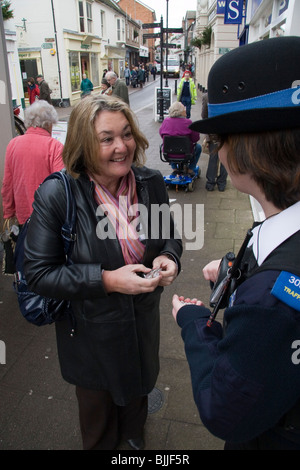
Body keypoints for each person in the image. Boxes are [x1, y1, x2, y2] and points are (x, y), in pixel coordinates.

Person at [23, 94, 182, 450]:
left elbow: (169, 235)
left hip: (142, 329)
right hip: (91, 337)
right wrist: (108, 280)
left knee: (135, 419)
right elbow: (39, 272)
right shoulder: (58, 195)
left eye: (126, 134)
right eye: (106, 138)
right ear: (83, 143)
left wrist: (170, 256)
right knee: (99, 430)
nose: (122, 147)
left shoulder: (150, 183)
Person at [171, 36, 300, 450]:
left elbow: (224, 408)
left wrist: (194, 325)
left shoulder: (274, 299)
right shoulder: (277, 231)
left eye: (218, 140)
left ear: (244, 151)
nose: (217, 152)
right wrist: (233, 272)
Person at [1, 100, 64, 226]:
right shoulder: (54, 146)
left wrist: (8, 211)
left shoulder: (13, 144)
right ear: (49, 124)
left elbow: (7, 183)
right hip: (48, 216)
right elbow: (60, 185)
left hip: (23, 214)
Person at [159, 101, 201, 176]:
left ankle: (174, 169)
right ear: (181, 112)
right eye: (184, 109)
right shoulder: (188, 122)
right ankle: (190, 169)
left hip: (169, 154)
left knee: (167, 145)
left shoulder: (165, 122)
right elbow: (196, 139)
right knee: (198, 147)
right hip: (186, 154)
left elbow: (161, 134)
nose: (186, 111)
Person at [201, 92, 227, 191]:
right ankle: (222, 184)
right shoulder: (228, 95)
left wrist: (207, 136)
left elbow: (204, 116)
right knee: (225, 158)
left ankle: (210, 183)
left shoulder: (207, 96)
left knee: (213, 158)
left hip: (213, 132)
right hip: (226, 133)